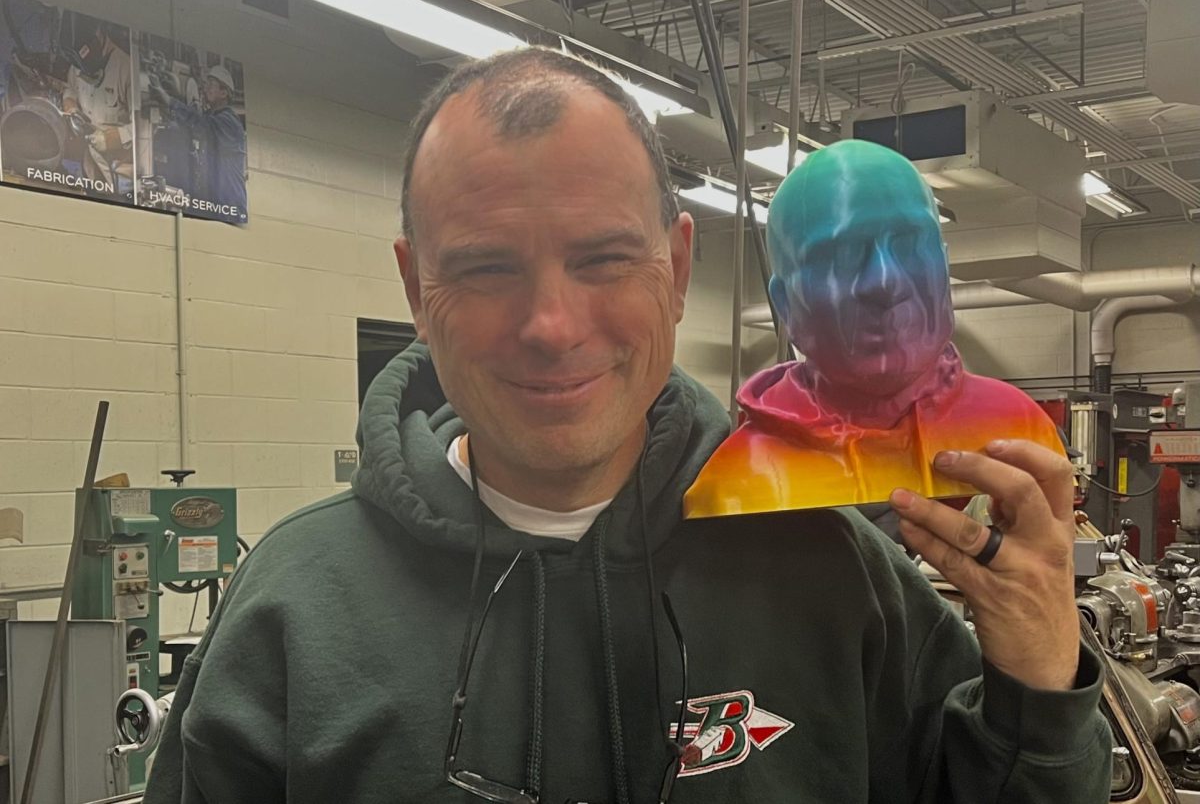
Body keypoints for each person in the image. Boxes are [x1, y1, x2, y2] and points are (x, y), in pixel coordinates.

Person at [144, 47, 1110, 803]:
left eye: (605, 260)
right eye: (486, 269)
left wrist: (1037, 679)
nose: (552, 327)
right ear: (413, 284)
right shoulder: (294, 613)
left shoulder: (836, 571)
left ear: (679, 268)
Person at [686, 139, 1063, 517]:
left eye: (910, 244)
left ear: (945, 269)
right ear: (786, 306)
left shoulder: (1017, 429)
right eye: (842, 255)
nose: (885, 281)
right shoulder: (741, 480)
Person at [149, 63, 247, 222]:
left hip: (228, 207)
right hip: (215, 204)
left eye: (211, 85)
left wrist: (169, 100)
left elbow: (199, 123)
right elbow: (193, 121)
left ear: (224, 93)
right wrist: (176, 95)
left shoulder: (228, 122)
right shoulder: (214, 116)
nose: (205, 88)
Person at [62, 17, 133, 193]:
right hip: (92, 170)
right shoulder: (77, 65)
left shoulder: (126, 69)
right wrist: (71, 108)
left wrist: (114, 138)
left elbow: (145, 129)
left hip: (122, 177)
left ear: (100, 34)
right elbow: (70, 90)